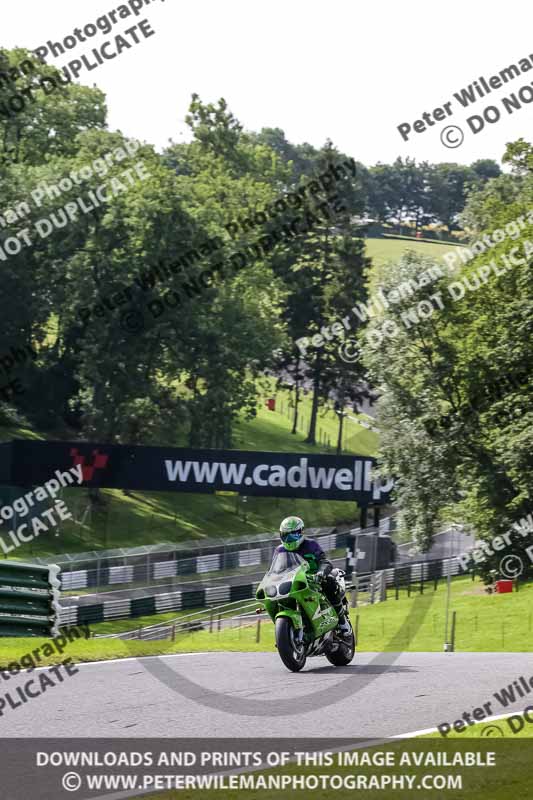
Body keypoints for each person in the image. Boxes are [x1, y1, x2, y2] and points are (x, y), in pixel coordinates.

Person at [276, 515, 351, 635]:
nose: (289, 539)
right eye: (286, 535)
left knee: (329, 581)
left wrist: (320, 573)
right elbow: (275, 570)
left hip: (314, 579)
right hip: (293, 582)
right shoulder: (280, 550)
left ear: (301, 532)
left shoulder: (310, 545)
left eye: (293, 534)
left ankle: (343, 622)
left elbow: (324, 561)